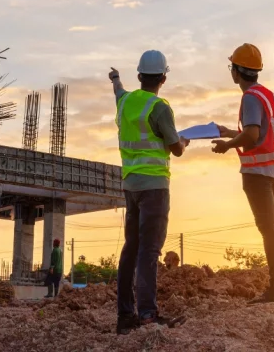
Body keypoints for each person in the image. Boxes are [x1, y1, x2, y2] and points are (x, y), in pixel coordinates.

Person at [212, 43, 274, 304]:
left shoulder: (249, 97)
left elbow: (251, 134)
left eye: (231, 67)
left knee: (268, 228)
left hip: (258, 173)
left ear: (237, 71)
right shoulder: (269, 95)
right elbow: (259, 132)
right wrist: (229, 132)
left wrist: (227, 145)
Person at [111, 50, 189, 335]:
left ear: (140, 75)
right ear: (164, 78)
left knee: (131, 249)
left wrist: (115, 79)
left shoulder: (126, 101)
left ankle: (125, 316)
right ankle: (147, 314)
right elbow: (175, 149)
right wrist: (183, 141)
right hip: (154, 186)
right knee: (148, 251)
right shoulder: (159, 108)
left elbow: (118, 92)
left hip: (130, 185)